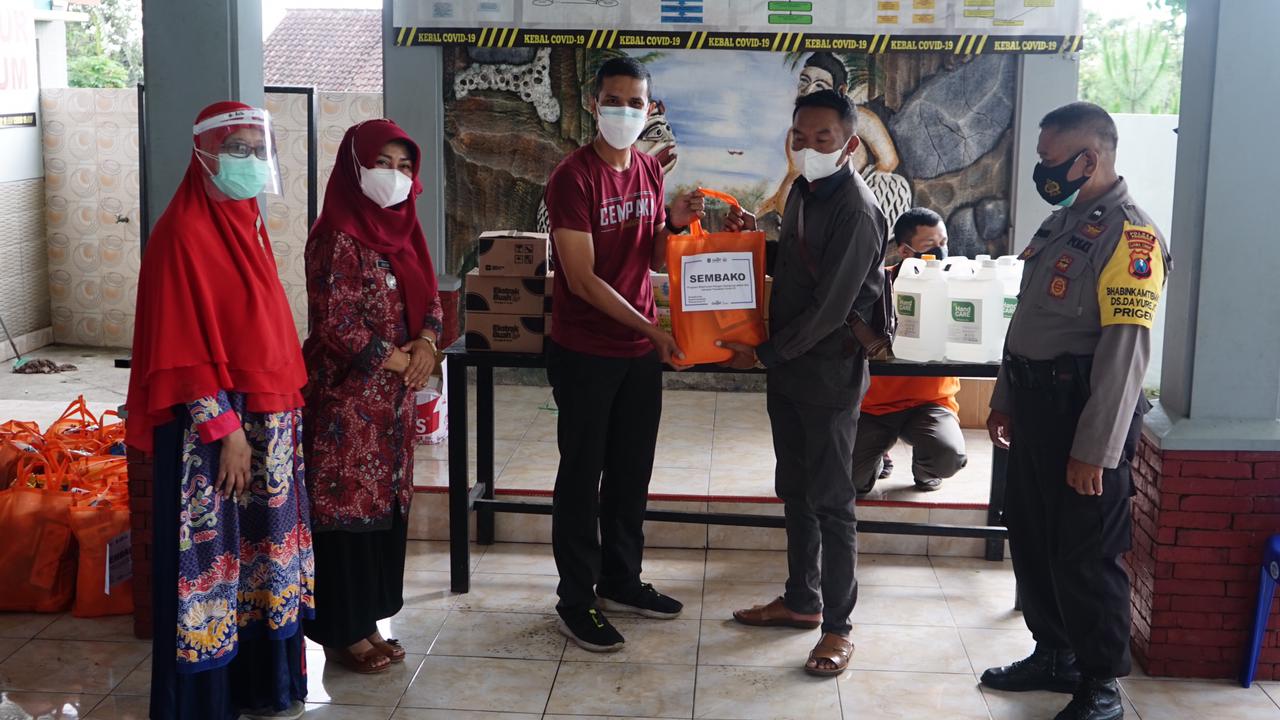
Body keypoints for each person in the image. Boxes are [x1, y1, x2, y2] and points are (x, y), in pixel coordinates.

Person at [980, 102, 1170, 720]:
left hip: (1083, 413)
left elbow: (1125, 353)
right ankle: (1054, 653)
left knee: (1086, 554)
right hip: (1036, 405)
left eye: (1049, 159)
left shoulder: (1132, 237)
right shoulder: (1062, 222)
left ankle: (1100, 683)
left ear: (1089, 159)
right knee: (1033, 537)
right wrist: (1006, 398)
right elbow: (1028, 322)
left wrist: (1096, 450)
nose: (1042, 170)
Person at [126, 101, 313, 720]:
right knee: (213, 558)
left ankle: (265, 685)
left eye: (259, 151)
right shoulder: (182, 232)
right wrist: (226, 429)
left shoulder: (247, 221)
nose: (251, 162)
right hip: (213, 431)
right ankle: (208, 702)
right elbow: (180, 343)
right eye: (238, 150)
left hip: (266, 418)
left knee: (262, 554)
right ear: (204, 154)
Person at [719, 89, 889, 677]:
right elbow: (793, 266)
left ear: (849, 143)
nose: (808, 146)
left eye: (823, 138)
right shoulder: (802, 192)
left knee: (833, 502)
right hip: (791, 371)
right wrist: (753, 237)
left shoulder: (857, 210)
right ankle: (801, 600)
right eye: (800, 136)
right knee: (794, 489)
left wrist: (765, 355)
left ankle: (838, 627)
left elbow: (831, 308)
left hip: (829, 373)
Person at [542, 56, 704, 653]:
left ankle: (620, 580)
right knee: (582, 476)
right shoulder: (573, 178)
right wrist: (654, 332)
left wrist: (676, 225)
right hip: (585, 349)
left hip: (638, 348)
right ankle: (576, 598)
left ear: (649, 108)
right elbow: (581, 279)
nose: (625, 111)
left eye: (635, 102)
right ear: (594, 104)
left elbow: (654, 258)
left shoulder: (648, 169)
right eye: (614, 100)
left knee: (632, 471)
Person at [301, 119, 443, 673]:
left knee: (382, 513)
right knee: (345, 515)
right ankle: (343, 630)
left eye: (404, 166)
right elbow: (335, 322)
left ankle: (367, 622)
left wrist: (427, 342)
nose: (395, 175)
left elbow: (431, 296)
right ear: (355, 166)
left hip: (393, 409)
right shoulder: (335, 234)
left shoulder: (405, 228)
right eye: (382, 163)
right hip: (346, 406)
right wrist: (404, 361)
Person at [854, 208, 967, 494]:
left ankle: (926, 466)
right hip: (875, 407)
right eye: (930, 245)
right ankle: (879, 454)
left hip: (931, 402)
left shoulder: (957, 287)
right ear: (905, 251)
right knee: (852, 481)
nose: (940, 252)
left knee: (948, 457)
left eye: (943, 243)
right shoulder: (878, 288)